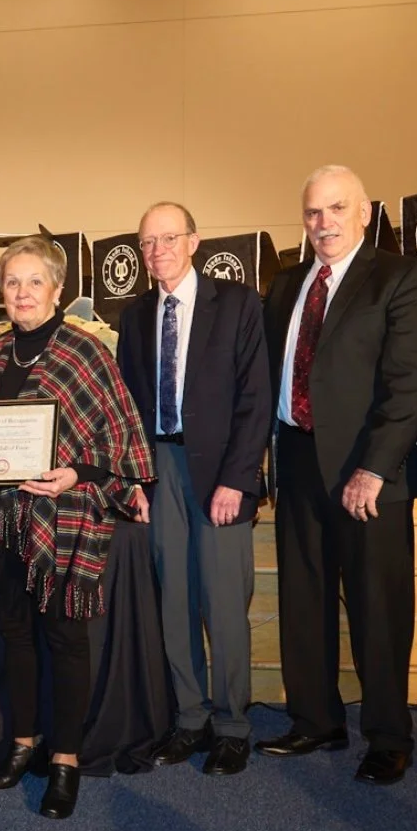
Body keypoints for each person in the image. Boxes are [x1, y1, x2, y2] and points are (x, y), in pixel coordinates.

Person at [0, 236, 153, 819]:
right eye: (11, 282)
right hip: (2, 525)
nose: (22, 293)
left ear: (57, 290)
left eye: (34, 281)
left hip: (63, 521)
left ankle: (64, 758)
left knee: (64, 640)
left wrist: (74, 474)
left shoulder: (86, 354)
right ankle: (22, 742)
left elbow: (119, 438)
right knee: (13, 635)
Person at [256, 166, 417, 784]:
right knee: (302, 599)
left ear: (364, 212)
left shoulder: (399, 277)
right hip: (298, 459)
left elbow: (408, 386)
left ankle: (388, 735)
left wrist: (374, 468)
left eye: (335, 209)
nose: (322, 222)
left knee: (377, 606)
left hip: (366, 470)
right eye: (311, 212)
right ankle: (315, 721)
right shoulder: (285, 287)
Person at [115, 202, 271, 777]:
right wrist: (133, 478)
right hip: (158, 469)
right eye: (148, 241)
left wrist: (238, 478)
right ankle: (189, 718)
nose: (158, 251)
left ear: (194, 241)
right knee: (173, 600)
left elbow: (256, 398)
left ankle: (231, 725)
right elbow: (128, 407)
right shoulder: (133, 317)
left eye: (169, 238)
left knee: (225, 604)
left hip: (219, 474)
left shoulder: (236, 304)